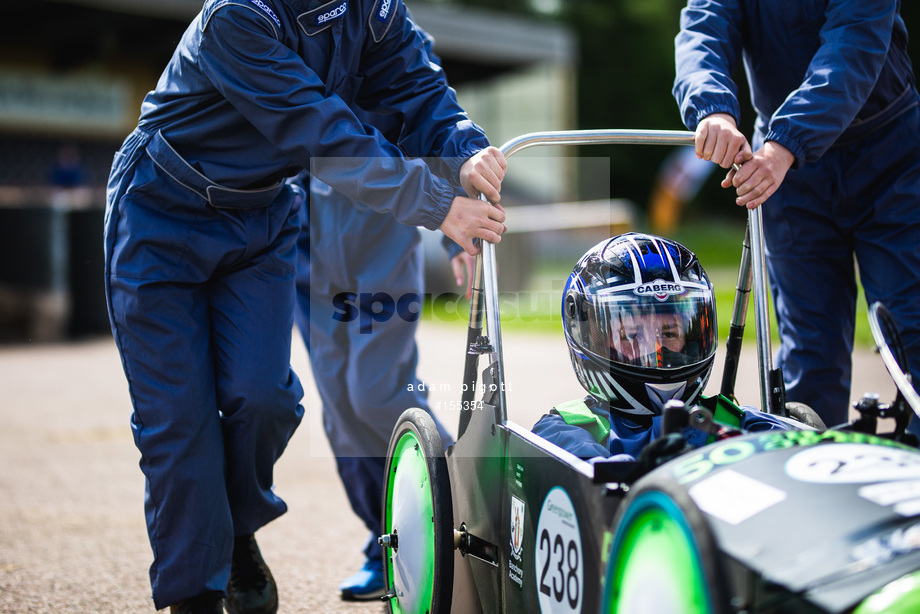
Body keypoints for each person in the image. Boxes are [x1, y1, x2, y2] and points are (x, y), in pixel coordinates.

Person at [103, 1, 506, 612]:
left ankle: (236, 529)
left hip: (262, 218)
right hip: (160, 213)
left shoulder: (373, 9)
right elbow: (318, 129)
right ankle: (197, 592)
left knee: (265, 399)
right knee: (178, 423)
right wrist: (436, 203)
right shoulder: (236, 18)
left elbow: (417, 86)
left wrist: (463, 148)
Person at [672, 0, 920, 428]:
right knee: (809, 355)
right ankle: (813, 483)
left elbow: (853, 43)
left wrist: (785, 143)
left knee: (913, 334)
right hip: (788, 176)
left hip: (889, 159)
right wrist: (711, 108)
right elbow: (703, 31)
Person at [533, 233, 790, 462]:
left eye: (669, 333)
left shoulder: (732, 421)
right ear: (591, 338)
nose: (658, 349)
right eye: (631, 334)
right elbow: (590, 480)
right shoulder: (567, 429)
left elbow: (801, 449)